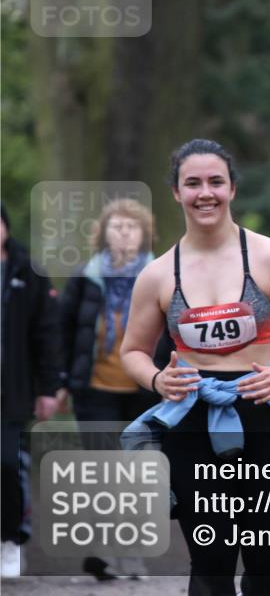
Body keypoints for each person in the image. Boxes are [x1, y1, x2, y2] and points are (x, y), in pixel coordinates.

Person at [120, 139, 270, 596]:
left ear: (232, 188)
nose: (205, 193)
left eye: (215, 182)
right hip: (193, 421)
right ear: (176, 192)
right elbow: (132, 350)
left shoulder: (269, 256)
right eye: (192, 183)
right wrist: (157, 379)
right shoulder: (158, 274)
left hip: (265, 416)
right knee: (211, 561)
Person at [60, 198, 164, 580]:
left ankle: (132, 556)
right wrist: (61, 381)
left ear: (144, 234)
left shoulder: (161, 276)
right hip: (95, 389)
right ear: (103, 234)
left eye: (131, 227)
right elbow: (64, 329)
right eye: (116, 227)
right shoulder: (86, 277)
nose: (123, 234)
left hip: (145, 390)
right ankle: (106, 552)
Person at [1, 203, 65, 579]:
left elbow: (47, 334)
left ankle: (10, 538)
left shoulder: (29, 272)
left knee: (7, 464)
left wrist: (49, 387)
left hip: (13, 390)